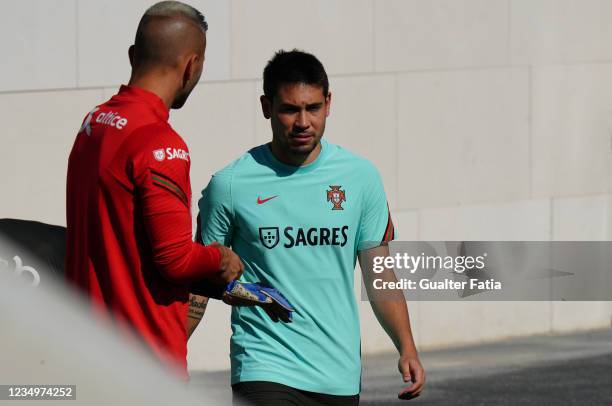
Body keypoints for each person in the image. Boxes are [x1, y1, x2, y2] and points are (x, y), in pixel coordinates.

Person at [194, 50, 425, 404]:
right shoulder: (230, 185)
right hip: (263, 366)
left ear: (328, 103)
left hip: (339, 375)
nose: (303, 122)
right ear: (266, 106)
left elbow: (379, 274)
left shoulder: (361, 178)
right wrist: (164, 350)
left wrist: (407, 346)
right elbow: (197, 278)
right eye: (289, 109)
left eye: (313, 108)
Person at [65, 1, 274, 378]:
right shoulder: (162, 144)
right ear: (192, 65)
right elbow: (175, 259)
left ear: (133, 55)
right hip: (144, 366)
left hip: (88, 354)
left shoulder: (94, 122)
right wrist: (221, 258)